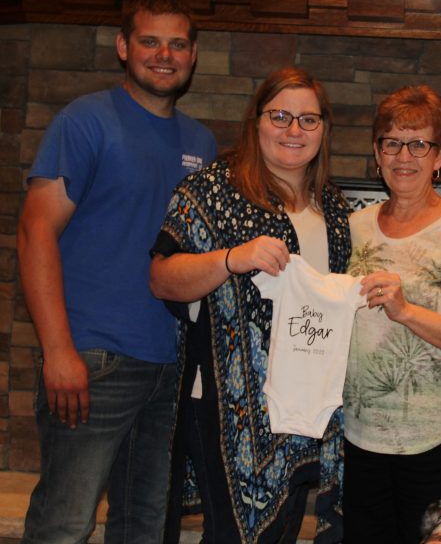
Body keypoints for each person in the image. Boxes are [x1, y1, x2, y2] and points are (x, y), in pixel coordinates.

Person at [17, 0, 217, 544]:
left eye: (177, 44)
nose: (164, 54)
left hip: (169, 367)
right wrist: (58, 350)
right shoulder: (85, 121)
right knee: (65, 523)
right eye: (150, 41)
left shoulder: (201, 142)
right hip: (92, 360)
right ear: (124, 47)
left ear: (193, 55)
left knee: (145, 526)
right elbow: (35, 232)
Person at [149, 66, 351, 544]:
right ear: (255, 121)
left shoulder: (335, 208)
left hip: (306, 411)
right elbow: (161, 278)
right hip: (230, 414)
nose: (293, 130)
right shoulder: (212, 190)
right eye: (280, 116)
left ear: (324, 128)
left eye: (308, 119)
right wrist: (229, 259)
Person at [342, 85, 441, 544]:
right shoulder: (353, 227)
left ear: (440, 155)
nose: (404, 156)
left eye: (419, 144)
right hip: (360, 433)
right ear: (377, 152)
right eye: (391, 143)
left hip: (439, 436)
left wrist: (406, 310)